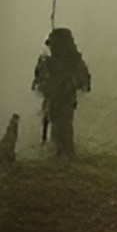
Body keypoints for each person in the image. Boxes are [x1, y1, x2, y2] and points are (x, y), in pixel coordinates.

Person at [31, 28, 91, 158]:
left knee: (63, 128)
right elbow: (38, 83)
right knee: (57, 128)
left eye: (54, 44)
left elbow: (84, 82)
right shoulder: (48, 62)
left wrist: (67, 85)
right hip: (53, 101)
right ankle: (60, 154)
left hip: (65, 101)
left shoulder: (73, 61)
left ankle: (65, 154)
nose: (51, 48)